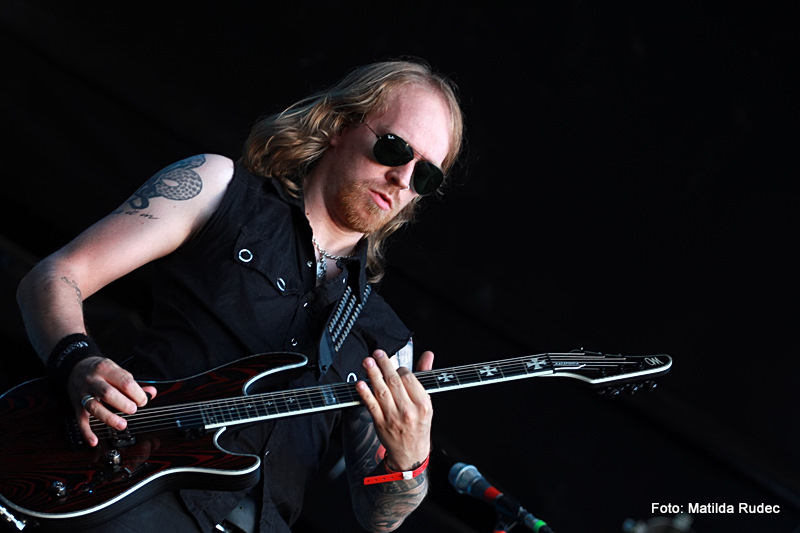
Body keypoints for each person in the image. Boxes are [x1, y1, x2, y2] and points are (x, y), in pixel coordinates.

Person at [15, 58, 465, 532]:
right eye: (394, 148)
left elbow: (377, 516)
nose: (403, 179)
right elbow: (56, 275)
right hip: (126, 496)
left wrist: (410, 458)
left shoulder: (386, 340)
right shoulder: (218, 189)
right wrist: (78, 362)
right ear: (339, 126)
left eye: (425, 175)